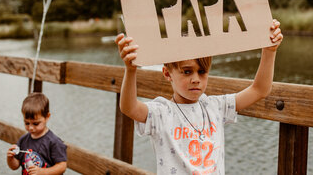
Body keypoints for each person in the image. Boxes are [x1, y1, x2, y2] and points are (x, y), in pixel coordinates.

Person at [115, 19, 283, 174]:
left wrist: (269, 51)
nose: (195, 79)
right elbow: (129, 108)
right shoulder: (161, 112)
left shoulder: (215, 107)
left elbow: (260, 90)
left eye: (202, 72)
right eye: (187, 72)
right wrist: (130, 70)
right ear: (167, 73)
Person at [6, 92, 67, 175]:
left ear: (47, 117)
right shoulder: (23, 140)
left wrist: (42, 172)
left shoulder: (54, 142)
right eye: (27, 123)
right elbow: (15, 166)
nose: (30, 127)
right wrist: (10, 159)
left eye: (35, 123)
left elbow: (62, 166)